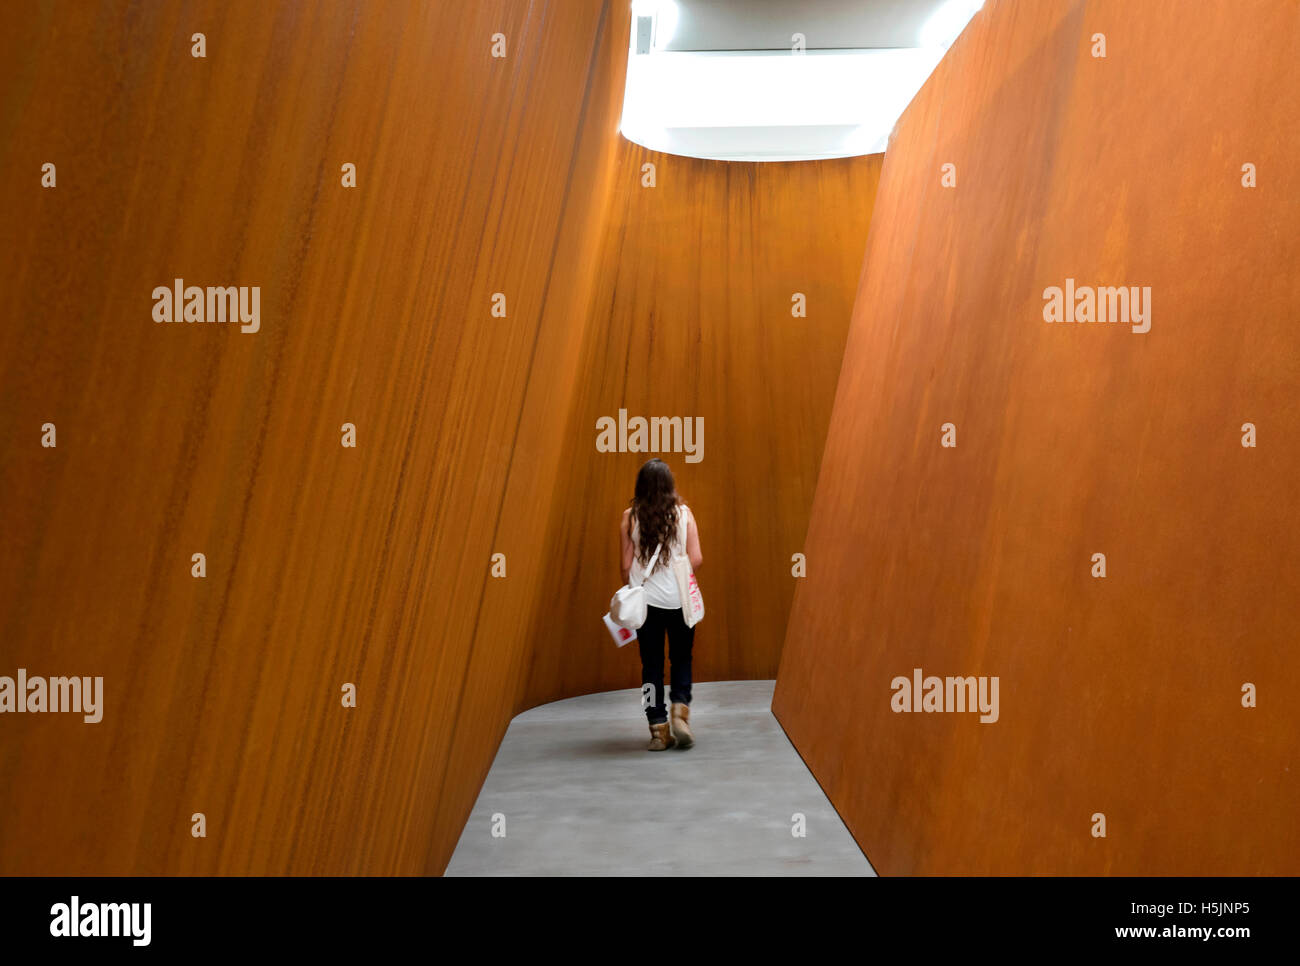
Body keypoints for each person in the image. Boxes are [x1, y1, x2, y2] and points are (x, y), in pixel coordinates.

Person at [619, 458, 703, 751]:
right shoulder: (684, 515)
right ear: (670, 485)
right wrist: (676, 574)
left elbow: (626, 565)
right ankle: (680, 712)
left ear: (640, 486)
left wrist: (641, 582)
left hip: (646, 606)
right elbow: (697, 558)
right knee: (682, 658)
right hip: (680, 601)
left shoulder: (631, 517)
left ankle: (657, 728)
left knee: (650, 666)